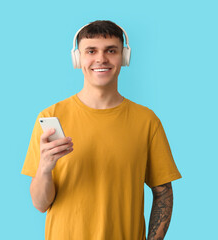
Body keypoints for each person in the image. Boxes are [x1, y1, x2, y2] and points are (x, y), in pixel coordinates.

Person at [21, 20, 182, 240]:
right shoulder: (50, 118)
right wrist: (45, 169)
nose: (101, 59)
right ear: (78, 59)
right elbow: (40, 204)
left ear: (124, 57)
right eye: (91, 51)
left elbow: (164, 195)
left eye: (111, 50)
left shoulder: (147, 121)